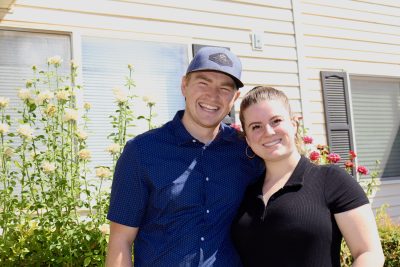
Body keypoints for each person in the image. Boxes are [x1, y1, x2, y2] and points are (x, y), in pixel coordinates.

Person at [106, 47, 264, 267]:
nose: (213, 95)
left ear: (235, 98)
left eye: (224, 88)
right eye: (203, 83)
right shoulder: (142, 152)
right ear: (184, 85)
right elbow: (120, 242)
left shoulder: (246, 151)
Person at [231, 86, 385, 267]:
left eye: (276, 121)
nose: (269, 131)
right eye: (256, 126)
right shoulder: (247, 191)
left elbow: (369, 253)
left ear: (293, 125)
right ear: (248, 138)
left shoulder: (331, 179)